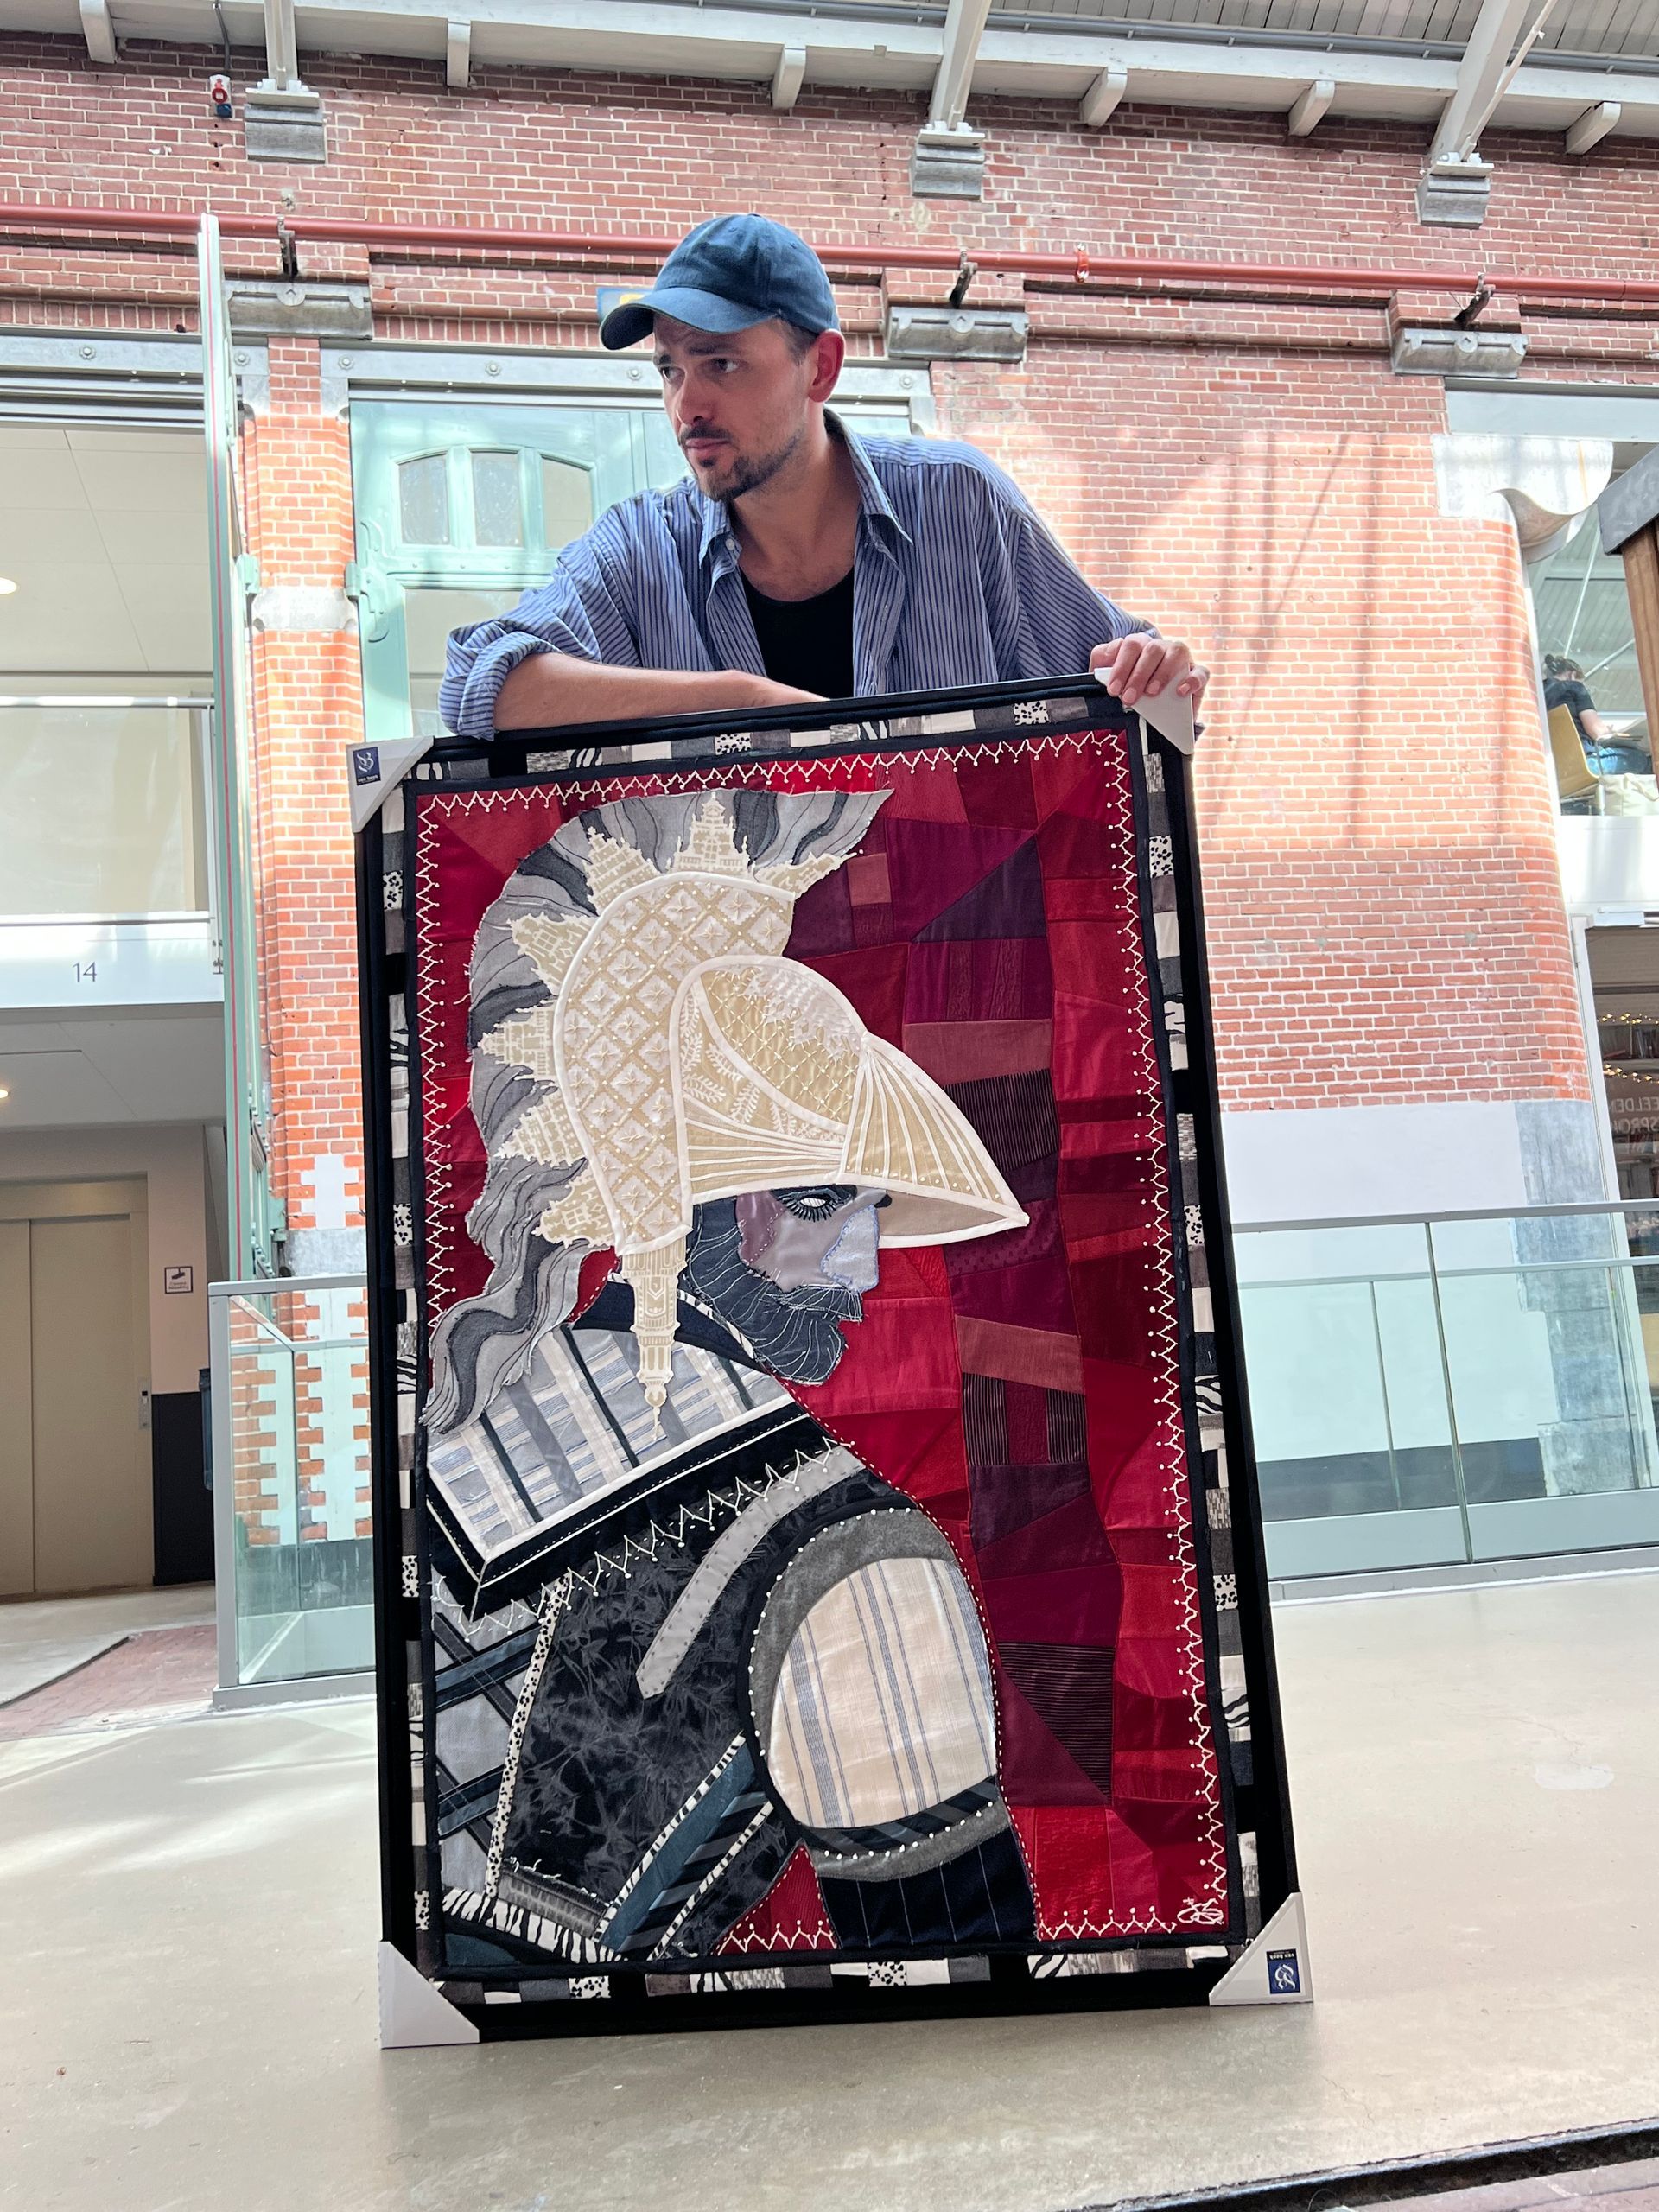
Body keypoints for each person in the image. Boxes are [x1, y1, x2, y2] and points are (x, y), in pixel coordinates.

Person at [440, 212, 1210, 737]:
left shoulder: (958, 502)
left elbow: (1127, 699)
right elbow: (480, 688)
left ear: (822, 367)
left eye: (722, 363)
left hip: (951, 958)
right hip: (747, 973)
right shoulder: (640, 550)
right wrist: (740, 702)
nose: (687, 406)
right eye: (670, 370)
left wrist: (1153, 671)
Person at [1543, 652, 1647, 775]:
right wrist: (1608, 731)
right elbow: (1597, 732)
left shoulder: (1538, 697)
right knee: (1644, 759)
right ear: (1572, 674)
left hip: (1559, 773)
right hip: (1588, 763)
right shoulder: (1574, 687)